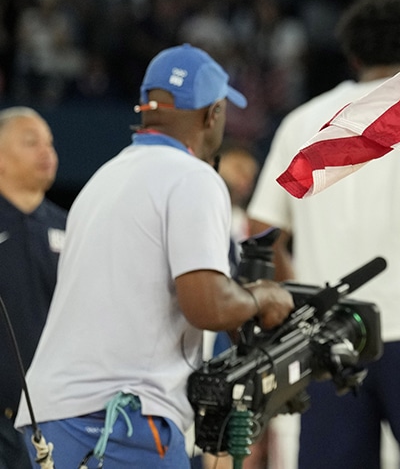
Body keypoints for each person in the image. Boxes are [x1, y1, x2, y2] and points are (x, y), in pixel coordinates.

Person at [15, 43, 294, 468]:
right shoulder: (193, 177)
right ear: (211, 115)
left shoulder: (103, 178)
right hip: (118, 417)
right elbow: (207, 304)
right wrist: (264, 297)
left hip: (55, 416)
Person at [246, 0, 400, 469]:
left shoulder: (301, 123)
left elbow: (260, 230)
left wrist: (305, 304)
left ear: (353, 54)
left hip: (329, 333)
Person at [0, 107, 67, 469]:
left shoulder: (70, 227)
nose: (46, 152)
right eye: (31, 142)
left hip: (56, 415)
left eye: (50, 143)